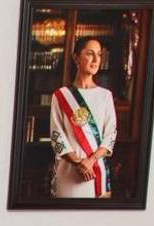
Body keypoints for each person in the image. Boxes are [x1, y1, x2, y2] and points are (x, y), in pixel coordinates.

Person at [50, 37, 117, 198]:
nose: (96, 60)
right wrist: (78, 163)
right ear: (76, 58)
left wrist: (90, 161)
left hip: (95, 171)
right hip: (69, 173)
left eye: (99, 54)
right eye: (90, 53)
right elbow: (57, 135)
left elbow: (110, 135)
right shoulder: (60, 95)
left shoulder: (105, 96)